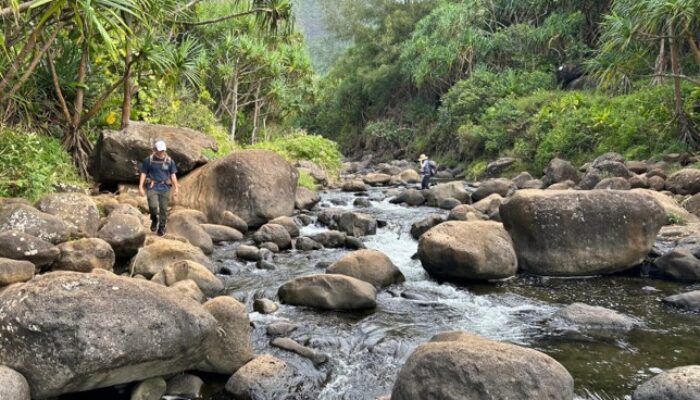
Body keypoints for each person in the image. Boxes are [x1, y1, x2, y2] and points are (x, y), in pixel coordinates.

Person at [138, 140, 179, 236]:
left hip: (165, 187)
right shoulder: (149, 160)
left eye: (163, 150)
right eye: (160, 150)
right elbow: (143, 173)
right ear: (155, 150)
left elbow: (173, 175)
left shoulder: (169, 161)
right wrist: (140, 186)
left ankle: (161, 227)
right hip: (152, 186)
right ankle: (154, 219)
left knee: (164, 208)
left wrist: (176, 188)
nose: (161, 152)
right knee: (152, 206)